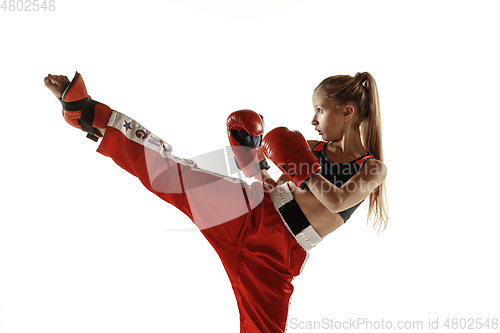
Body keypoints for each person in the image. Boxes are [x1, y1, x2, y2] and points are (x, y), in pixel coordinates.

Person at [44, 71, 388, 333]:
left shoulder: (372, 168)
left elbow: (336, 200)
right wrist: (252, 161)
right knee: (172, 173)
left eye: (319, 110)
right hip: (252, 210)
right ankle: (90, 114)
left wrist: (301, 167)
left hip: (276, 257)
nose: (313, 120)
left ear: (346, 111)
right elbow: (273, 185)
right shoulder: (310, 148)